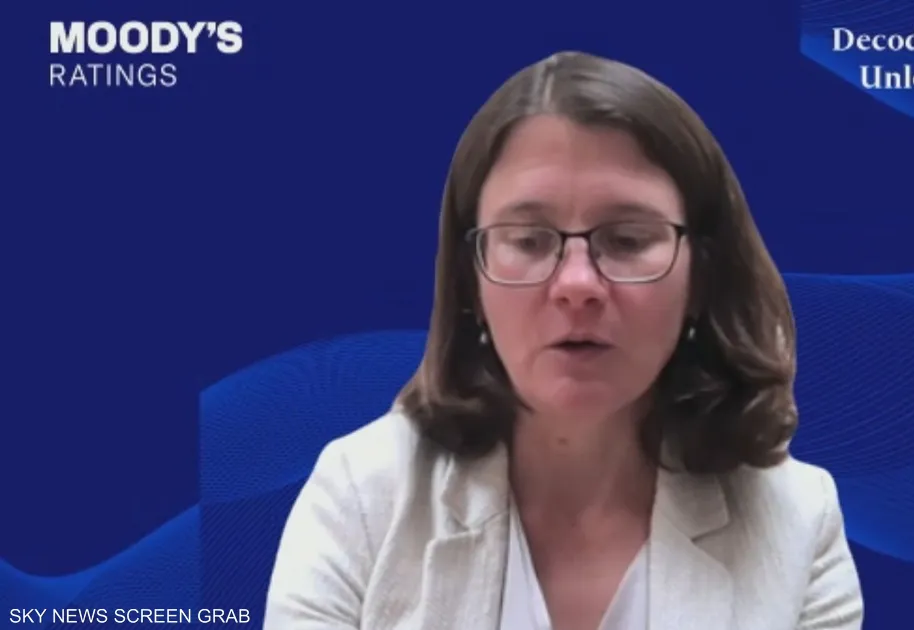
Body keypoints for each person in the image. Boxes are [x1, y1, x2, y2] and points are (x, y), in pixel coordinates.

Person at [263, 50, 864, 630]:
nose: (577, 285)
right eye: (528, 240)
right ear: (470, 279)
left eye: (627, 240)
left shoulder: (798, 521)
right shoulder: (361, 496)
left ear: (702, 275)